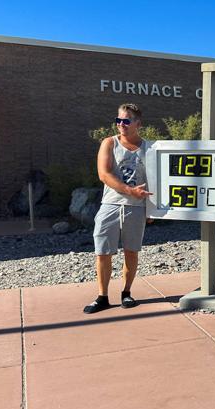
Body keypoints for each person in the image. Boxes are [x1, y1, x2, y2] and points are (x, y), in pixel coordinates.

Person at [83, 103, 152, 314]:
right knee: (103, 251)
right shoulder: (109, 143)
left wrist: (152, 210)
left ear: (137, 123)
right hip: (110, 205)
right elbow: (104, 174)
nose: (121, 124)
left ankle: (126, 293)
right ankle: (102, 296)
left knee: (131, 251)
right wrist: (129, 190)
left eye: (126, 120)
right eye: (118, 120)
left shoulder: (149, 148)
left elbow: (155, 180)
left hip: (137, 208)